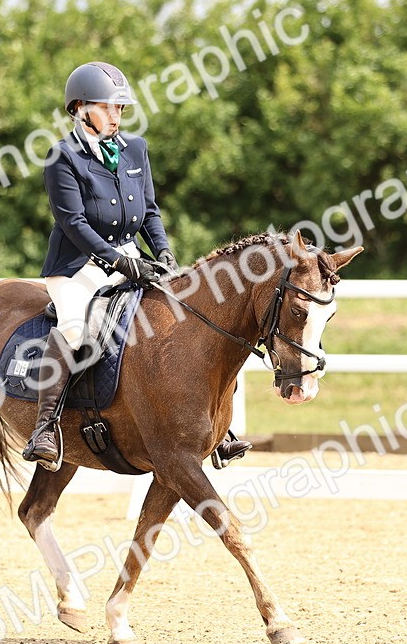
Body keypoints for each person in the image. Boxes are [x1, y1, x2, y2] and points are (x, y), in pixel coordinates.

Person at [21, 61, 251, 470]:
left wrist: (163, 254)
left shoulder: (135, 149)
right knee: (75, 326)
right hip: (77, 266)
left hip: (131, 257)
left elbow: (149, 212)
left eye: (120, 109)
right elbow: (72, 223)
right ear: (79, 108)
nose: (116, 116)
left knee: (179, 314)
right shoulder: (63, 157)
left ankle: (214, 429)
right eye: (109, 107)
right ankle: (46, 427)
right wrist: (121, 264)